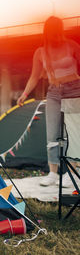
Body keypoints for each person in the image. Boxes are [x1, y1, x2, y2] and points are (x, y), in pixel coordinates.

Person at [17, 16, 80, 187]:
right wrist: (24, 94)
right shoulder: (41, 52)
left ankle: (71, 172)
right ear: (47, 33)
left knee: (71, 133)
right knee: (52, 133)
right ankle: (53, 172)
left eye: (58, 32)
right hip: (54, 93)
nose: (56, 37)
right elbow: (34, 76)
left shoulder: (72, 46)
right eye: (53, 33)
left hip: (75, 91)